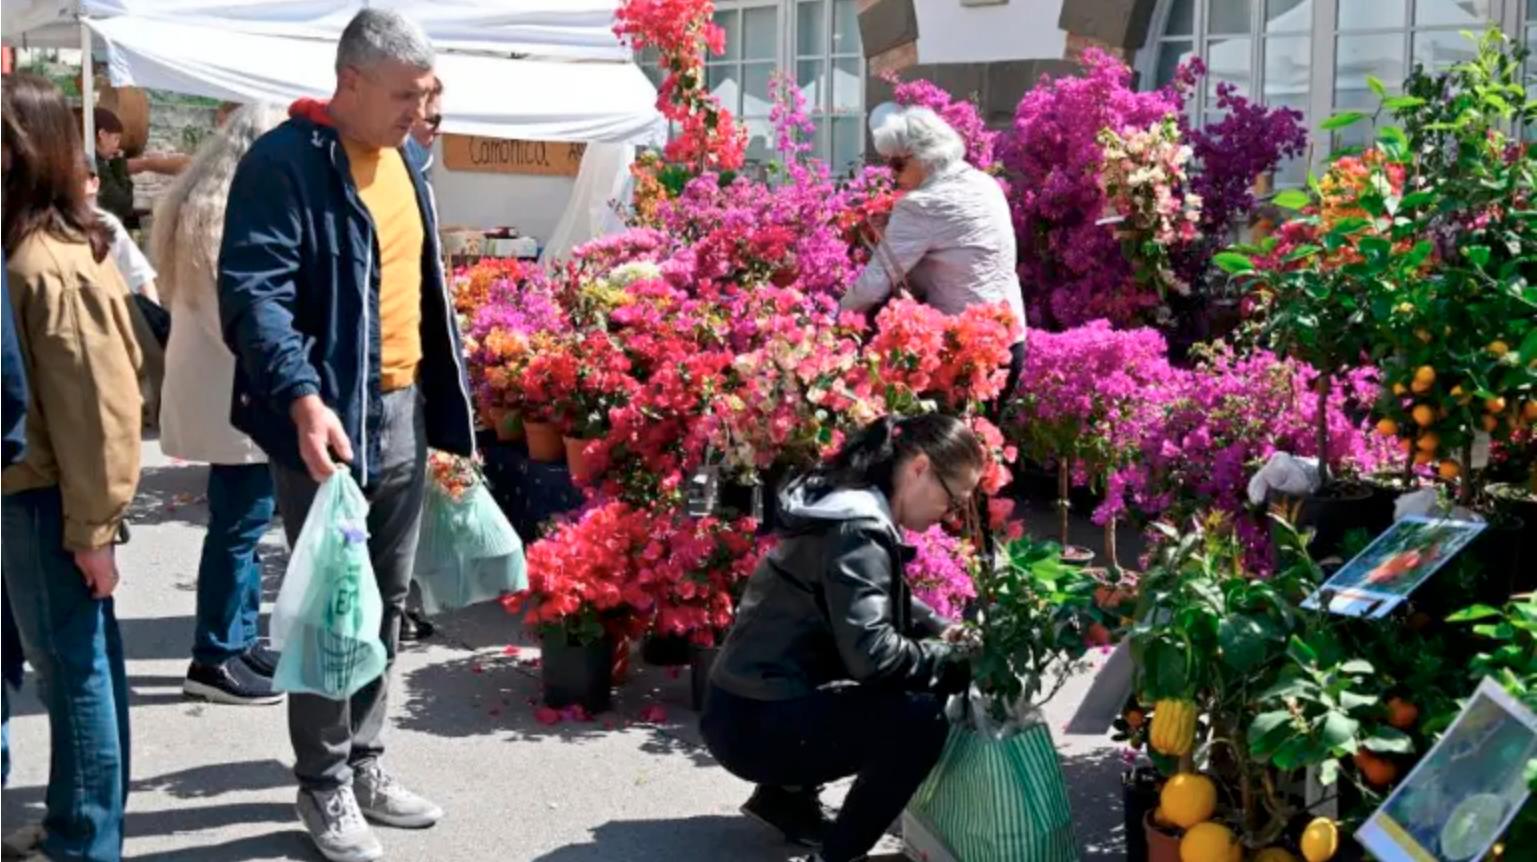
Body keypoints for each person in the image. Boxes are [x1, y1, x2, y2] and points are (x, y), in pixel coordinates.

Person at [218, 9, 475, 862]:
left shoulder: (404, 161)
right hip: (326, 423)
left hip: (402, 413)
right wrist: (299, 398)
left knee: (386, 605)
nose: (419, 109)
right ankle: (322, 785)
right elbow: (255, 295)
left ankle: (366, 762)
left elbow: (417, 297)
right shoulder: (284, 163)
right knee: (335, 611)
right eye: (405, 94)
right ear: (352, 81)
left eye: (424, 94)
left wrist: (444, 409)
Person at [701, 413, 980, 862]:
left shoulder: (846, 505)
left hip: (737, 708)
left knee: (867, 687)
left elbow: (882, 599)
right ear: (919, 468)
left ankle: (784, 800)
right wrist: (948, 660)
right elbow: (874, 655)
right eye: (952, 500)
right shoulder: (857, 533)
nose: (949, 516)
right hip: (754, 727)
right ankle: (839, 855)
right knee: (919, 720)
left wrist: (940, 628)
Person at [3, 72, 144, 862]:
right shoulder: (43, 249)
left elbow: (100, 409)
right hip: (45, 494)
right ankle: (77, 826)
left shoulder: (41, 262)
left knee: (74, 671)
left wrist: (94, 529)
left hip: (46, 498)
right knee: (77, 665)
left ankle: (85, 841)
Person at [154, 103, 287, 706]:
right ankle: (214, 655)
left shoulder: (198, 204)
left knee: (243, 522)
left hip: (217, 390)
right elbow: (240, 321)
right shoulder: (229, 214)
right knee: (240, 524)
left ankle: (236, 640)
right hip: (236, 395)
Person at [840, 106, 1028, 411]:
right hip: (1010, 341)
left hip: (963, 353)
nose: (893, 175)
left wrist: (837, 319)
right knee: (980, 449)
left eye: (897, 164)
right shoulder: (985, 184)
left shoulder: (922, 204)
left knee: (943, 452)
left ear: (924, 156)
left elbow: (874, 284)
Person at [91, 106, 190, 230]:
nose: (117, 145)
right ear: (102, 135)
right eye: (115, 139)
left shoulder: (94, 160)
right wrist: (119, 167)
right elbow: (122, 205)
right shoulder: (94, 164)